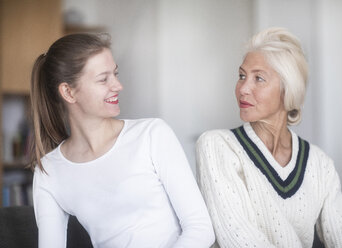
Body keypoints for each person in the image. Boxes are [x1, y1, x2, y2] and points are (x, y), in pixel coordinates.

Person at [30, 33, 215, 248]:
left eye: (115, 74)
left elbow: (200, 228)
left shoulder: (152, 134)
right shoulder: (50, 171)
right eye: (103, 79)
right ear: (69, 92)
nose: (118, 85)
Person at [196, 27, 342, 248]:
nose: (242, 89)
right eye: (241, 76)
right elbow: (240, 239)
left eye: (258, 78)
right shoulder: (217, 145)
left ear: (287, 90)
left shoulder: (319, 163)